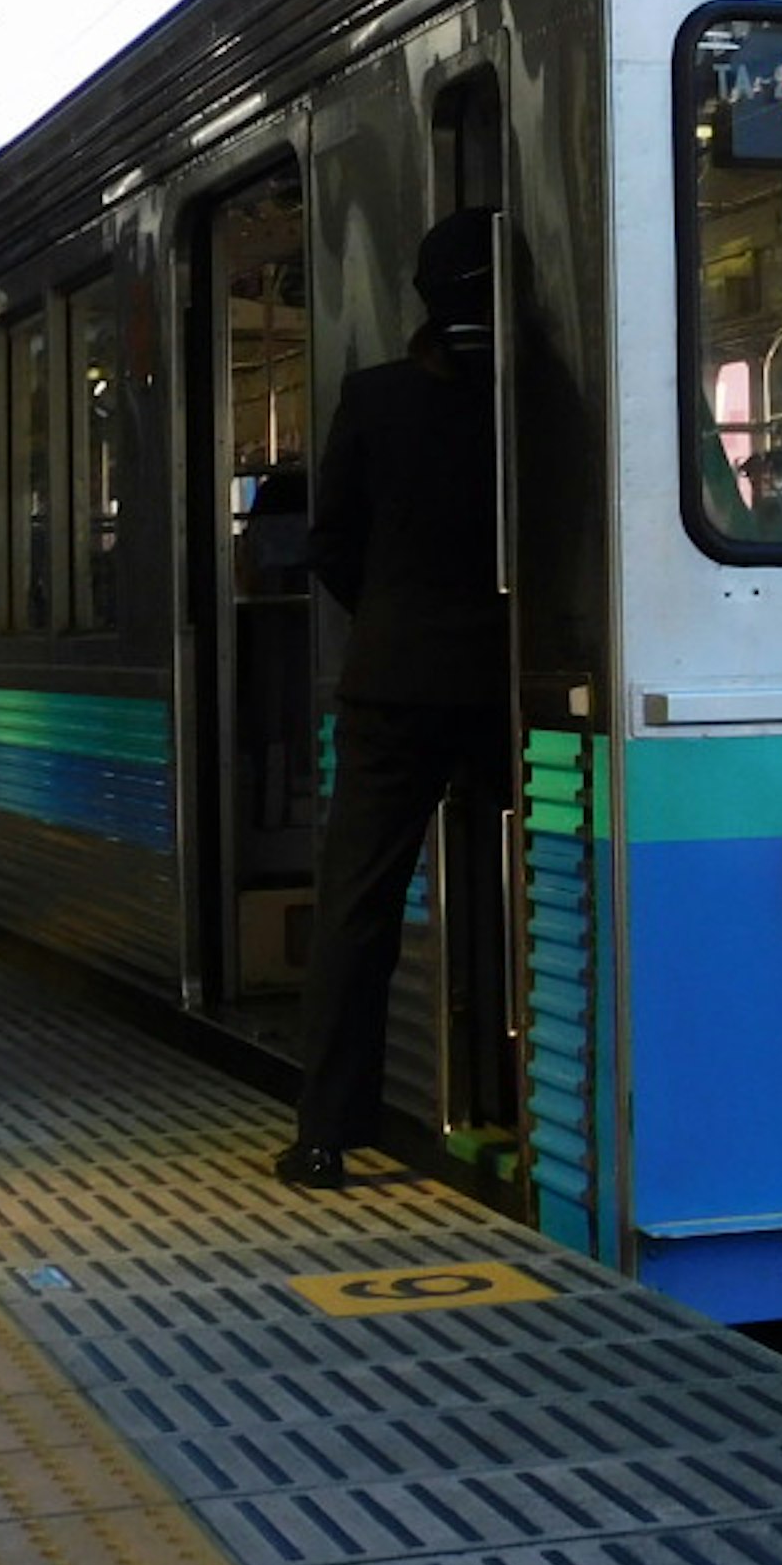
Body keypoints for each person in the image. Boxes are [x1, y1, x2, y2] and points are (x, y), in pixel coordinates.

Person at [279, 209, 509, 1191]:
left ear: (421, 295)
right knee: (527, 887)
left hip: (393, 688)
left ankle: (326, 1135)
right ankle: (525, 1093)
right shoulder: (541, 398)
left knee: (358, 906)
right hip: (512, 685)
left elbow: (327, 544)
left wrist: (392, 620)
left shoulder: (374, 398)